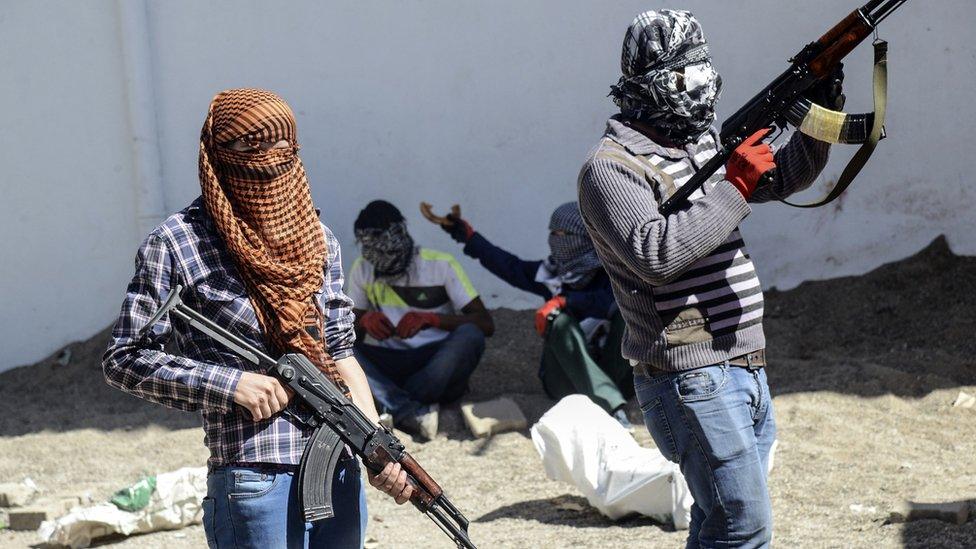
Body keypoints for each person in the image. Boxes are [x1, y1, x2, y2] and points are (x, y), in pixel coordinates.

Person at [577, 11, 844, 548]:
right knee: (744, 527)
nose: (699, 89)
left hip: (744, 362)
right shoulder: (610, 169)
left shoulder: (700, 144)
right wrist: (735, 187)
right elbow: (656, 254)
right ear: (645, 86)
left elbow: (788, 174)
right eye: (684, 77)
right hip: (691, 375)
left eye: (704, 72)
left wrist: (824, 108)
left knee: (719, 522)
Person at [103, 89, 412, 549]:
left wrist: (377, 448)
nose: (267, 160)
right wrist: (230, 385)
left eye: (281, 146)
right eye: (249, 147)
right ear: (217, 155)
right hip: (255, 477)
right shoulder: (177, 243)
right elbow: (125, 358)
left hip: (340, 471)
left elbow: (341, 354)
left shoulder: (317, 240)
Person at [431, 201, 635, 429]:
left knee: (627, 315)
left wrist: (564, 301)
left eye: (563, 234)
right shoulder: (551, 275)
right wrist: (468, 237)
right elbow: (508, 266)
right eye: (553, 233)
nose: (555, 240)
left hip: (615, 377)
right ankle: (613, 410)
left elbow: (607, 301)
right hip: (565, 382)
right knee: (559, 322)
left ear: (586, 237)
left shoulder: (612, 274)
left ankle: (613, 397)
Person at [348, 200, 494, 441]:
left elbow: (486, 323)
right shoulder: (363, 268)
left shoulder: (440, 265)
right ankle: (408, 411)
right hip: (390, 362)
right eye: (377, 254)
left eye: (390, 251)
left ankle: (392, 404)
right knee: (340, 350)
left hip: (434, 363)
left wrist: (433, 319)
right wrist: (364, 320)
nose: (384, 258)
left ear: (402, 237)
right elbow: (348, 330)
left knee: (470, 336)